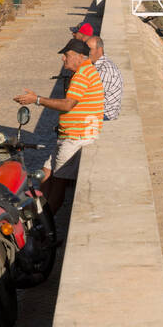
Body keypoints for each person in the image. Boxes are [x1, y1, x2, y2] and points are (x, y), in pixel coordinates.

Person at [14, 39, 104, 215]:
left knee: (58, 184)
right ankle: (39, 213)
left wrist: (37, 100)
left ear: (80, 56)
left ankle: (46, 224)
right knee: (46, 172)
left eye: (67, 55)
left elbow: (68, 105)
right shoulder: (84, 71)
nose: (63, 59)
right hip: (68, 137)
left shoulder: (83, 74)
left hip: (76, 138)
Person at [85, 34, 122, 122]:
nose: (87, 52)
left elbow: (95, 98)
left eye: (90, 49)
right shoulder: (98, 65)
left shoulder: (105, 70)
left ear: (100, 50)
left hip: (105, 114)